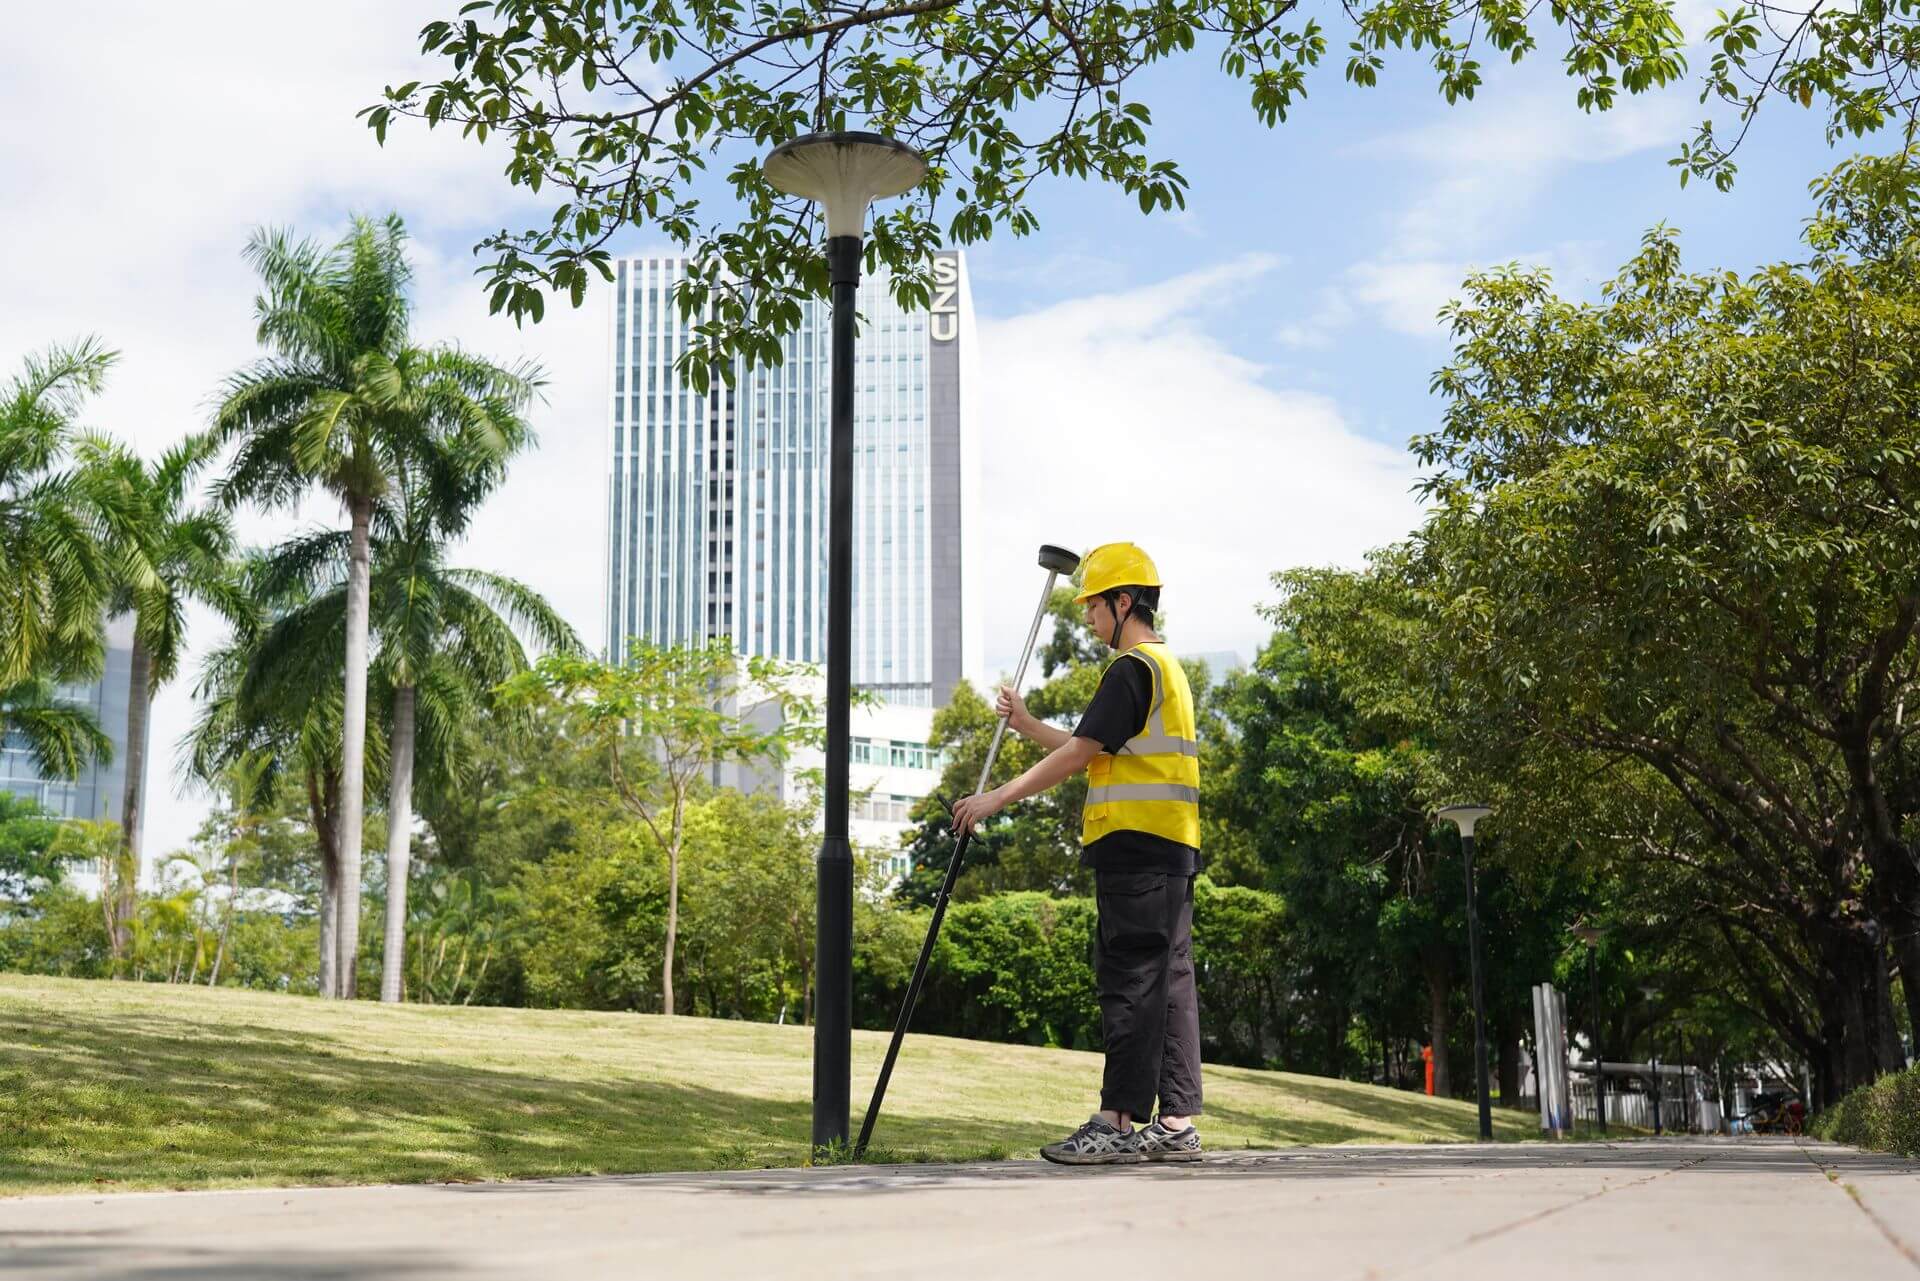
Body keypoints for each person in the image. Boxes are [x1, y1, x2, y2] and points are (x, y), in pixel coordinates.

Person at [952, 542, 1203, 1165]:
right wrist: (1030, 725)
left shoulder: (1131, 668)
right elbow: (1098, 746)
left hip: (1134, 850)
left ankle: (1116, 1122)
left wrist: (994, 800)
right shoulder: (1165, 670)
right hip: (1170, 849)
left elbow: (1079, 755)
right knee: (1168, 986)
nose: (1088, 620)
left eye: (1093, 606)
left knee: (1131, 983)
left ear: (1124, 602)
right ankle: (1175, 1124)